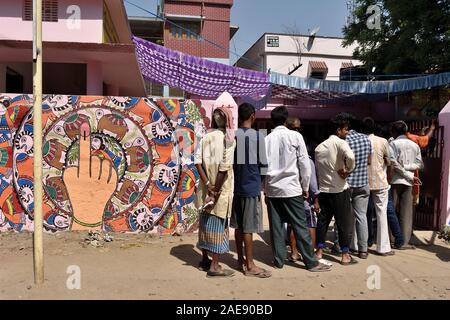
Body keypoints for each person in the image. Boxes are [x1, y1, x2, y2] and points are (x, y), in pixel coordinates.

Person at [264, 106, 330, 272]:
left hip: (273, 189)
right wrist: (305, 186)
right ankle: (311, 262)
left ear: (273, 121)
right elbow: (304, 164)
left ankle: (278, 260)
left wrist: (265, 188)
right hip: (292, 188)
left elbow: (262, 167)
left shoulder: (267, 139)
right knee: (300, 225)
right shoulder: (295, 136)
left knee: (277, 227)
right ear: (286, 121)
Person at [231, 103, 272, 278]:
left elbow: (232, 162)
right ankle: (250, 265)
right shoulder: (259, 136)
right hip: (251, 186)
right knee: (248, 228)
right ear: (253, 116)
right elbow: (264, 165)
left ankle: (241, 260)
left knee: (240, 226)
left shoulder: (233, 136)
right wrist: (259, 182)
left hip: (238, 186)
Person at [195, 107, 236, 278]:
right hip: (220, 191)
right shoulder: (229, 140)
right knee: (218, 226)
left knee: (205, 223)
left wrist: (207, 184)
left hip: (205, 189)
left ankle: (205, 259)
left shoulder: (205, 137)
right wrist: (216, 191)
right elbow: (224, 168)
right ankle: (214, 265)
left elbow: (197, 162)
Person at [315, 113, 357, 265]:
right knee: (343, 223)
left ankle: (319, 251)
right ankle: (345, 255)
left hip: (324, 190)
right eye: (345, 129)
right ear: (338, 130)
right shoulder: (340, 143)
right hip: (339, 190)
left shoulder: (320, 147)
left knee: (323, 221)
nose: (347, 132)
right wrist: (348, 170)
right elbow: (351, 157)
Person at [285, 118, 320, 261]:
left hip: (291, 196)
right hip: (305, 200)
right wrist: (316, 200)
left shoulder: (289, 159)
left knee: (293, 225)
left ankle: (294, 253)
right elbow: (312, 184)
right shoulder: (308, 161)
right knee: (310, 224)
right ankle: (309, 253)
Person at [362, 118, 394, 256]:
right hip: (380, 182)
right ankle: (383, 248)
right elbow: (389, 160)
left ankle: (359, 246)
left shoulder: (360, 141)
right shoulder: (383, 141)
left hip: (362, 182)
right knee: (382, 214)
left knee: (360, 215)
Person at [389, 121, 424, 247]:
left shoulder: (393, 143)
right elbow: (420, 164)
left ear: (394, 131)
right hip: (409, 181)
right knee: (407, 213)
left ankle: (393, 240)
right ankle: (404, 242)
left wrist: (404, 169)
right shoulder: (414, 145)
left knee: (391, 211)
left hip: (395, 181)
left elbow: (393, 163)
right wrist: (409, 171)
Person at [346, 117, 372, 259]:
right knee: (361, 217)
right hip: (363, 183)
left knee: (346, 217)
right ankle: (363, 250)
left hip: (348, 184)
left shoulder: (345, 140)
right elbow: (369, 161)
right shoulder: (366, 139)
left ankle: (344, 246)